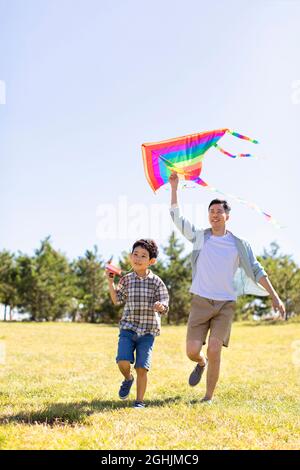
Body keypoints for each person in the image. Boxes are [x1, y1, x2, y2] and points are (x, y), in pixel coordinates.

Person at [169, 171, 285, 403]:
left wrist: (274, 296)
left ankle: (208, 397)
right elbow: (177, 219)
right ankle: (200, 363)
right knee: (193, 351)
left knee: (214, 347)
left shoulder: (239, 244)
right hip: (201, 301)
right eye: (211, 212)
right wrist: (174, 187)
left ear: (227, 216)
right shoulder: (201, 237)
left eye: (219, 211)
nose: (215, 215)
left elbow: (256, 269)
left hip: (225, 304)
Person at [106, 239, 169, 409]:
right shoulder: (126, 280)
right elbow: (116, 299)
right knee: (123, 361)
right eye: (135, 254)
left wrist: (161, 306)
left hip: (148, 331)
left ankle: (139, 401)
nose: (138, 258)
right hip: (128, 327)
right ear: (130, 256)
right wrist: (110, 283)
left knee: (142, 367)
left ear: (151, 261)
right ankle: (127, 378)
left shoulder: (156, 282)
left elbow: (165, 302)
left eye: (143, 256)